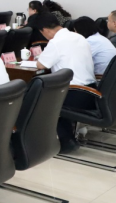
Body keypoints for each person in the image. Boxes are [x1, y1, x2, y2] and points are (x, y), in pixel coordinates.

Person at [33, 13, 96, 154]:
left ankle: (66, 141)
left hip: (74, 94)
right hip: (91, 92)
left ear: (45, 30)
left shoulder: (56, 42)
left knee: (38, 99)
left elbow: (41, 65)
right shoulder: (79, 37)